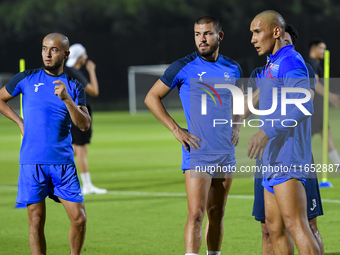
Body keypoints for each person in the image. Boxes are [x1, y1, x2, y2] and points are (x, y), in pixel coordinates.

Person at [144, 16, 243, 255]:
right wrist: (177, 130)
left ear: (219, 36)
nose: (202, 39)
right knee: (196, 214)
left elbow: (239, 100)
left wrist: (237, 125)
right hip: (197, 151)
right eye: (198, 34)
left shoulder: (233, 68)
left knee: (217, 213)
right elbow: (151, 97)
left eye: (207, 34)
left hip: (225, 152)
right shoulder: (182, 66)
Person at [0, 33, 91, 255]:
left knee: (79, 219)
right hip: (33, 163)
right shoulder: (26, 78)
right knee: (36, 220)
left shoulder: (74, 85)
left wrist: (67, 99)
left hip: (63, 164)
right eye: (44, 49)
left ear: (66, 54)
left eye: (54, 50)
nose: (47, 54)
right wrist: (20, 122)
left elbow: (84, 124)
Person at [244, 24, 324, 255]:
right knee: (274, 228)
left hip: (288, 156)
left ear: (277, 34)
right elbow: (247, 106)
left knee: (298, 225)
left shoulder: (292, 62)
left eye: (257, 32)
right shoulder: (271, 66)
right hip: (270, 157)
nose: (253, 39)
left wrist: (266, 132)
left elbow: (303, 105)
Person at [64, 43, 107, 195]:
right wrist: (92, 71)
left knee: (73, 149)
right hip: (78, 112)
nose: (86, 57)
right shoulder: (74, 72)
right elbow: (94, 91)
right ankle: (87, 186)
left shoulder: (66, 71)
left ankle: (52, 177)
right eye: (85, 54)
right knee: (81, 149)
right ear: (80, 57)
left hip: (71, 112)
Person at [307, 38, 340, 165]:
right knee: (304, 142)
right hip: (312, 109)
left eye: (324, 49)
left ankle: (338, 164)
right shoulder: (312, 64)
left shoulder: (315, 63)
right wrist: (330, 95)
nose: (323, 51)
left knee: (327, 135)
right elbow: (314, 83)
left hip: (318, 109)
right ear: (313, 49)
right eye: (321, 48)